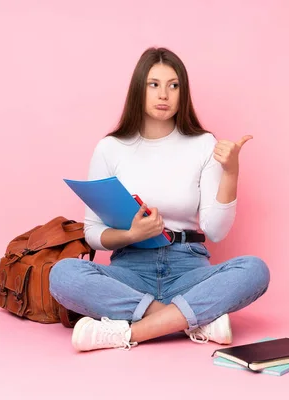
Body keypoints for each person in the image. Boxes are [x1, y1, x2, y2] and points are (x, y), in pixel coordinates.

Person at [49, 47, 270, 352]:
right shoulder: (110, 148)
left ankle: (127, 333)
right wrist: (131, 234)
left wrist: (230, 172)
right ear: (139, 89)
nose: (163, 94)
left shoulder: (204, 144)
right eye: (154, 84)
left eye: (173, 85)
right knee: (63, 274)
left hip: (188, 269)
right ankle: (191, 319)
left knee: (255, 270)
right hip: (130, 271)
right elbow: (92, 233)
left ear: (183, 93)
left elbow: (216, 231)